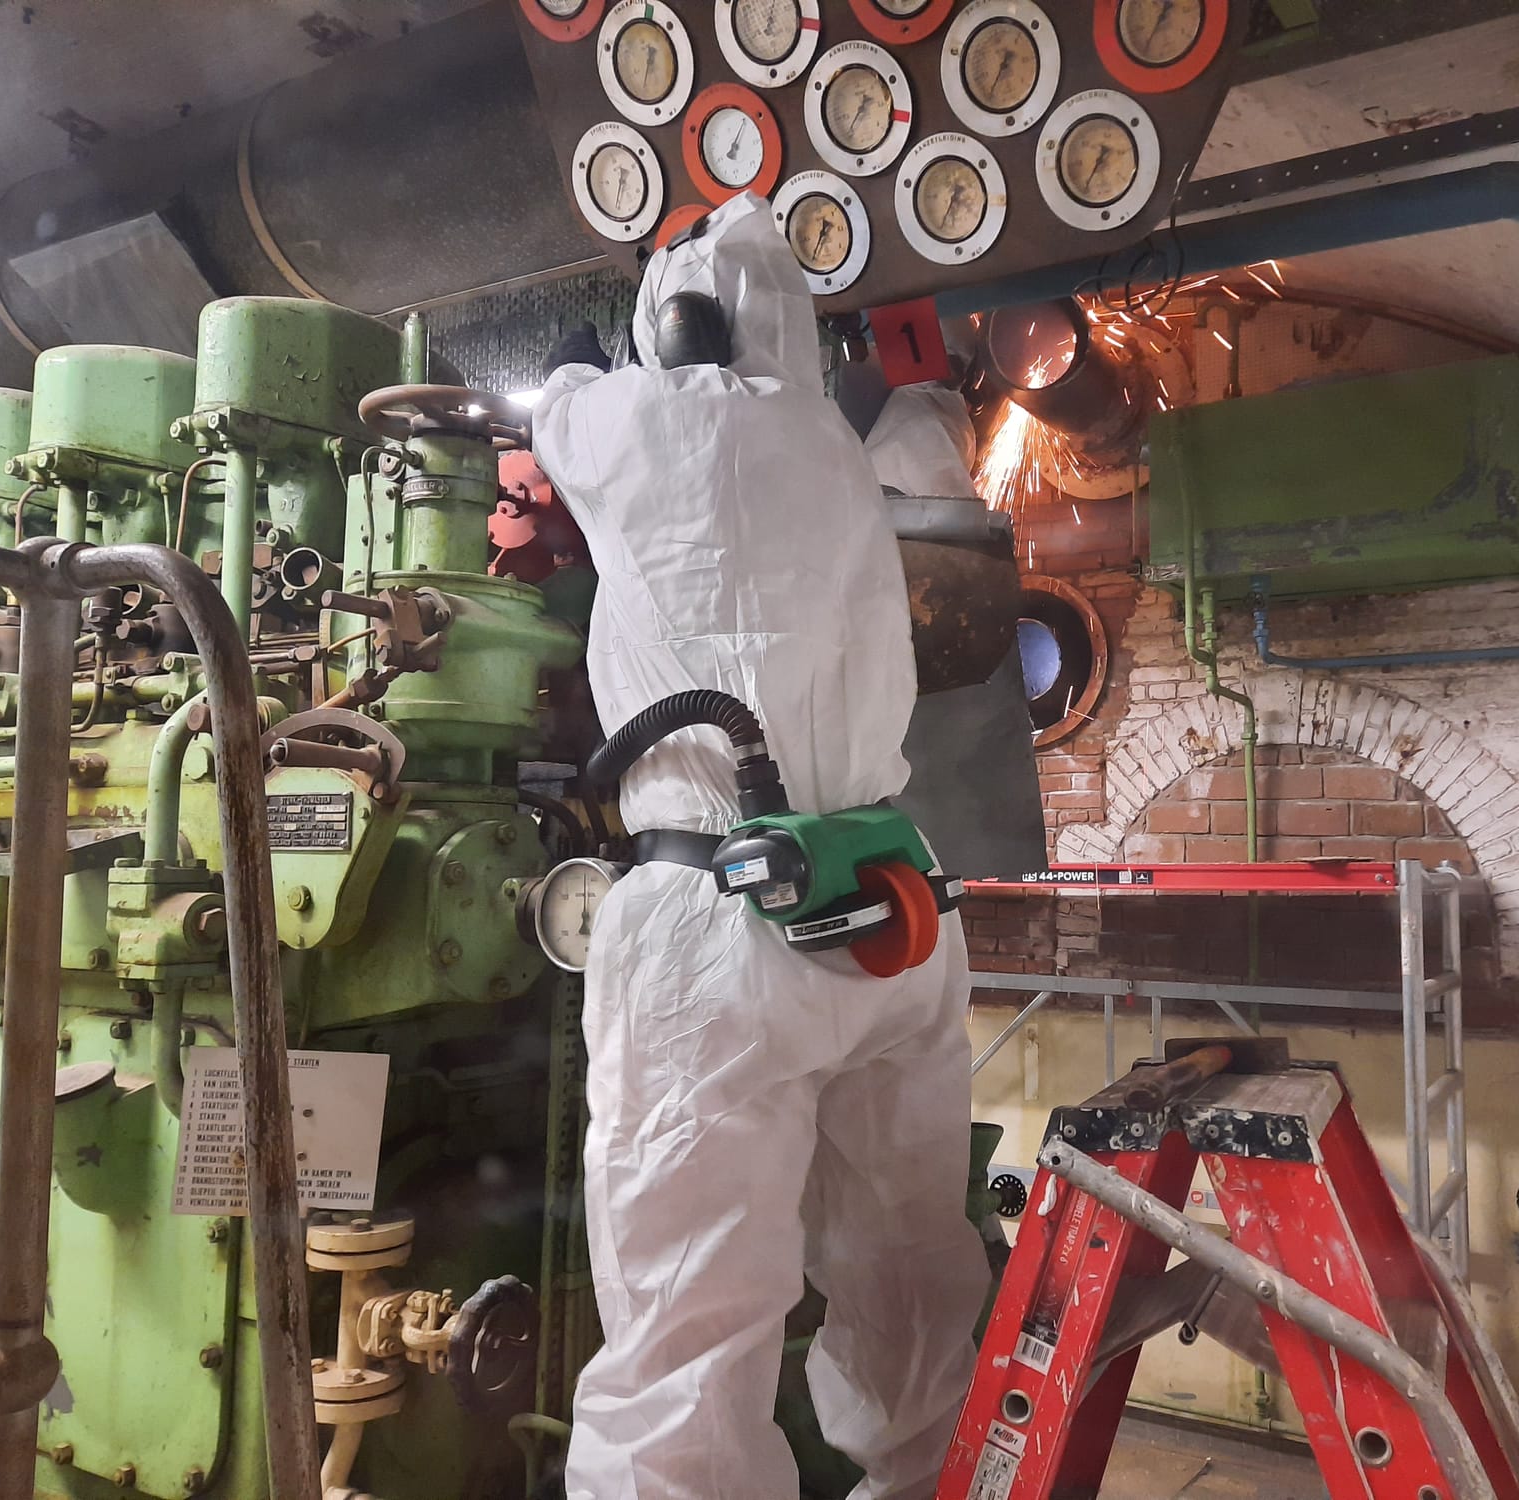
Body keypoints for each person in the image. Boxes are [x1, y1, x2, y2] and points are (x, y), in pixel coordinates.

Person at [527, 192, 988, 1500]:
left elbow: (556, 413)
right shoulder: (838, 445)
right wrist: (932, 387)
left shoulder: (642, 421)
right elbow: (934, 442)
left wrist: (571, 358)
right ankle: (928, 1476)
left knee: (685, 1328)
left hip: (716, 922)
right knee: (907, 1266)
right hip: (889, 908)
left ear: (670, 321)